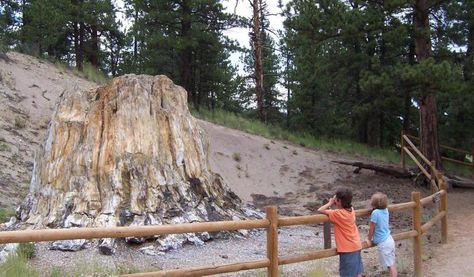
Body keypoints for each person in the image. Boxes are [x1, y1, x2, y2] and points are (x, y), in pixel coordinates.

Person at [318, 188, 363, 277]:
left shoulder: (338, 214)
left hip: (347, 249)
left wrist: (330, 203)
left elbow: (320, 210)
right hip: (356, 245)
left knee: (347, 273)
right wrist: (337, 201)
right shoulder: (352, 210)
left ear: (338, 201)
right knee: (357, 272)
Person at [365, 192, 397, 277]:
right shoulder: (385, 210)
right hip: (389, 239)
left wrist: (368, 239)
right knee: (391, 263)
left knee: (390, 266)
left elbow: (372, 227)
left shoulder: (375, 213)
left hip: (384, 243)